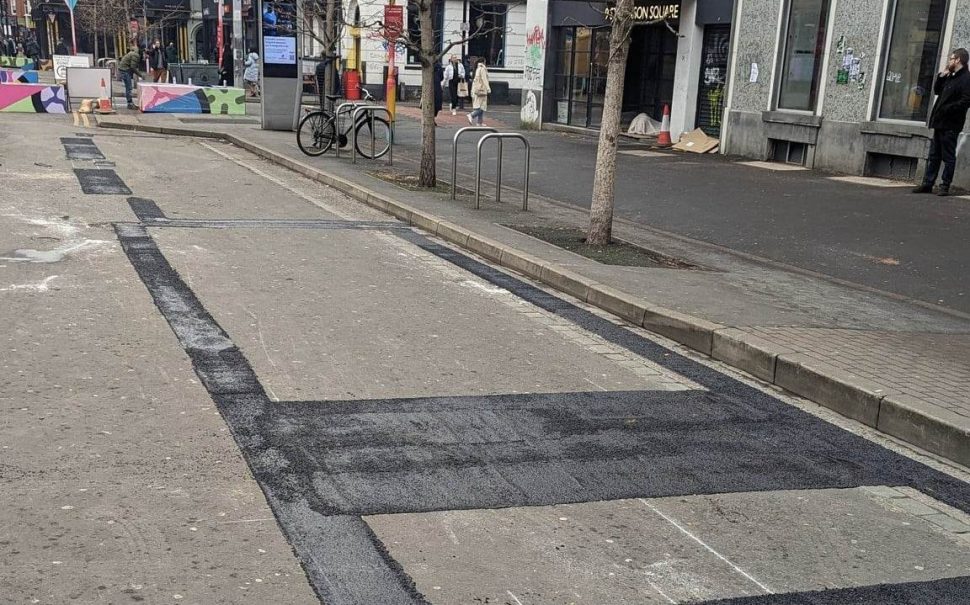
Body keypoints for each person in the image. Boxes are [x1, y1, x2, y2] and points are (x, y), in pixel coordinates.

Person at [913, 48, 970, 197]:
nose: (949, 61)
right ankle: (928, 183)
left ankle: (945, 185)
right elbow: (937, 90)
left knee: (948, 156)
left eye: (951, 59)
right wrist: (942, 76)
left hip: (951, 124)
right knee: (934, 155)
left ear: (958, 60)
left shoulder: (966, 79)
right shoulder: (950, 76)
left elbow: (965, 101)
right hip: (939, 122)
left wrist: (946, 109)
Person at [119, 43, 147, 110]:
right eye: (144, 53)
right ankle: (130, 103)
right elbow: (133, 67)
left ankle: (130, 103)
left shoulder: (134, 53)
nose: (145, 55)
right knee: (129, 87)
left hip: (124, 69)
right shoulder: (136, 55)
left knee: (128, 87)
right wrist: (141, 75)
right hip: (124, 70)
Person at [468, 58, 490, 126]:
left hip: (476, 89)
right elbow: (484, 79)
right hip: (482, 89)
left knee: (480, 105)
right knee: (482, 106)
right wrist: (488, 88)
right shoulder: (483, 69)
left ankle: (479, 122)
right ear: (483, 62)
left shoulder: (477, 69)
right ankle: (472, 115)